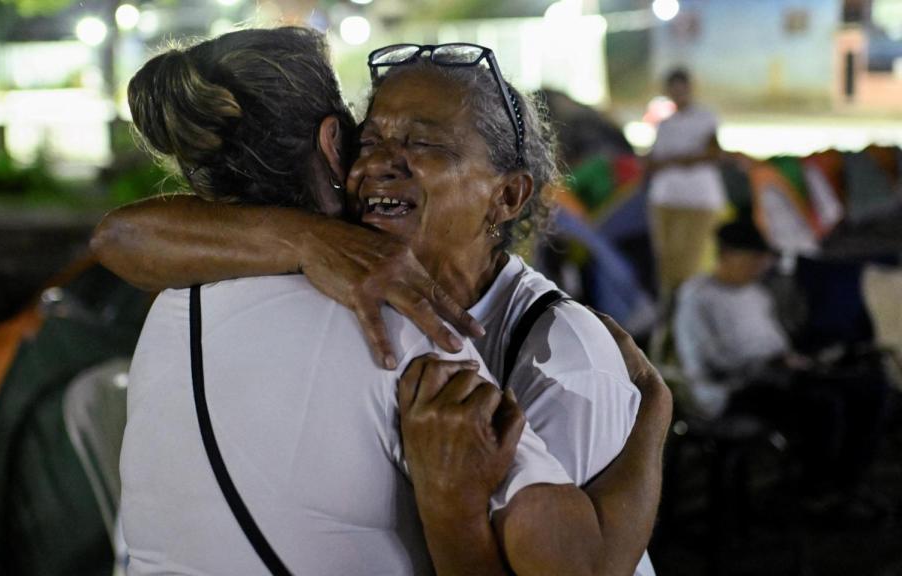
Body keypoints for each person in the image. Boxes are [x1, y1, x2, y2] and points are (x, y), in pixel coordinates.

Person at [108, 30, 669, 575]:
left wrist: (650, 408)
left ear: (508, 195)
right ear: (336, 148)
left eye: (424, 143)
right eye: (370, 140)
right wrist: (309, 239)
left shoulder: (561, 354)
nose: (381, 163)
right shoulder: (393, 329)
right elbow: (117, 237)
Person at [675, 219, 887, 510]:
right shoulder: (697, 297)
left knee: (869, 389)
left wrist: (800, 360)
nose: (760, 267)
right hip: (731, 390)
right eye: (753, 259)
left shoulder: (756, 294)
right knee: (824, 404)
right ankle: (814, 489)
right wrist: (769, 361)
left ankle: (845, 482)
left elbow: (778, 341)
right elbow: (709, 360)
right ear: (727, 254)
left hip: (777, 376)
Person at [646, 67, 726, 302]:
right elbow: (654, 160)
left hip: (698, 201)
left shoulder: (705, 117)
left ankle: (687, 309)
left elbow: (713, 152)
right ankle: (669, 312)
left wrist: (673, 160)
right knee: (667, 262)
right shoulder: (665, 124)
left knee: (692, 262)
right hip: (665, 199)